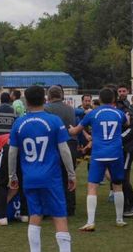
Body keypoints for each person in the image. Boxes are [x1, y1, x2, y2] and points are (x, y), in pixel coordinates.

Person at [8, 85, 76, 252]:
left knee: (35, 215)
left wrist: (12, 175)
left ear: (26, 102)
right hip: (51, 178)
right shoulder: (54, 121)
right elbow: (64, 150)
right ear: (44, 99)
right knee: (59, 216)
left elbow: (12, 152)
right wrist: (71, 173)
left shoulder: (19, 123)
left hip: (30, 177)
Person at [69, 87, 129, 231]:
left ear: (100, 99)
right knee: (117, 185)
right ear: (114, 99)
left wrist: (70, 129)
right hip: (115, 153)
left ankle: (91, 221)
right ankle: (119, 219)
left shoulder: (93, 114)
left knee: (92, 186)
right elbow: (126, 123)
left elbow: (76, 131)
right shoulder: (119, 113)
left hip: (99, 154)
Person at [45, 85, 78, 216]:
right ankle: (70, 207)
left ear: (49, 96)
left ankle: (54, 206)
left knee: (54, 177)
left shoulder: (47, 109)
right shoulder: (71, 109)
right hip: (71, 144)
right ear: (61, 96)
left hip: (55, 145)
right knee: (69, 175)